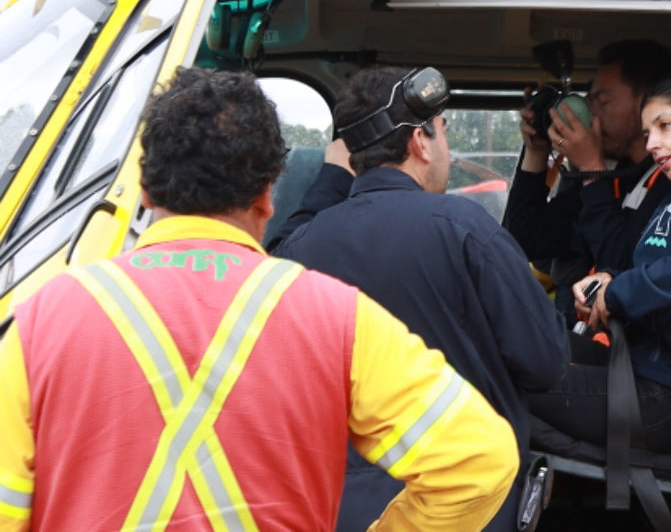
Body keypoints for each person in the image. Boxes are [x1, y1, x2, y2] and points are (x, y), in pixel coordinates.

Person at [0, 68, 517, 532]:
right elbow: (480, 460)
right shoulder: (338, 318)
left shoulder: (41, 322)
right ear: (268, 195)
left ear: (147, 192)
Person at [269, 66, 569, 532]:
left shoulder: (296, 251)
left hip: (332, 510)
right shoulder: (466, 229)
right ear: (420, 142)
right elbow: (546, 362)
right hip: (467, 511)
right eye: (443, 132)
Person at [527, 77, 671, 455]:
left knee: (512, 382)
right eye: (647, 132)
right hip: (640, 364)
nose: (652, 144)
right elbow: (663, 265)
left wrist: (617, 293)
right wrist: (609, 282)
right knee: (525, 343)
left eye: (665, 126)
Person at [504, 40, 671, 317]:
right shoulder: (612, 177)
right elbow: (525, 238)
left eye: (603, 101)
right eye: (590, 102)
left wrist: (591, 167)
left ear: (647, 102)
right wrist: (536, 151)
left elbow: (621, 269)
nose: (592, 114)